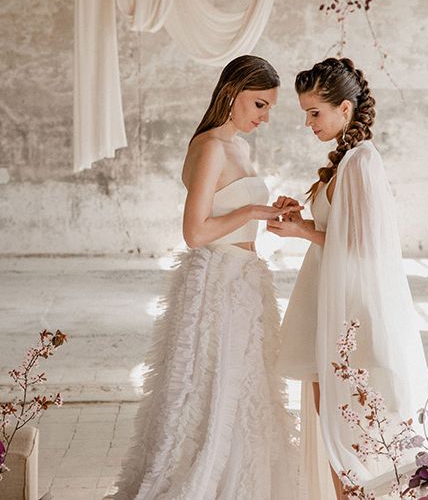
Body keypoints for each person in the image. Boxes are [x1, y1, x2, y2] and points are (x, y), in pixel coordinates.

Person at [111, 55, 300, 500]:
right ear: (232, 94)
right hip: (218, 281)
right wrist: (253, 210)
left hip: (246, 280)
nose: (265, 117)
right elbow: (194, 233)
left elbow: (234, 215)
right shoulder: (210, 146)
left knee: (246, 388)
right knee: (211, 388)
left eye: (269, 107)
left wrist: (274, 214)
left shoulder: (239, 146)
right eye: (259, 105)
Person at [270, 57, 428, 500]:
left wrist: (303, 230)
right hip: (329, 296)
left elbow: (364, 247)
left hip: (352, 306)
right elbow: (340, 231)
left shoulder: (361, 162)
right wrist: (301, 220)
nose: (308, 122)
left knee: (350, 425)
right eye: (305, 113)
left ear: (345, 109)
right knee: (332, 424)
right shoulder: (346, 160)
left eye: (314, 112)